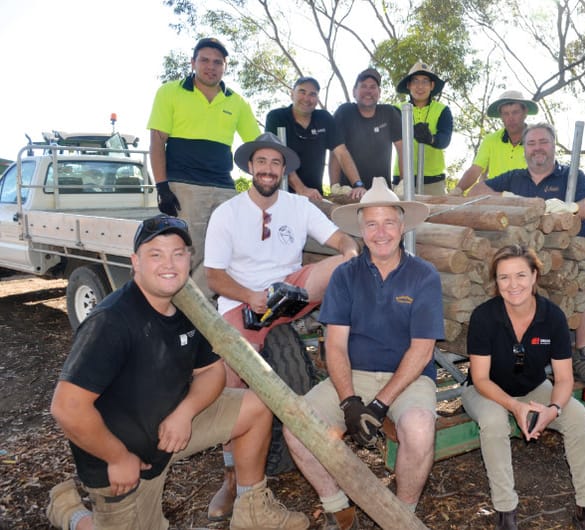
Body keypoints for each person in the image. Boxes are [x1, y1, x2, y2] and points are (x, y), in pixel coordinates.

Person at [46, 214, 309, 530]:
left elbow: (212, 371)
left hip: (170, 427)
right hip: (124, 461)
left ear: (189, 258)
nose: (168, 263)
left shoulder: (184, 305)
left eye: (178, 253)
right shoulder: (111, 322)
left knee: (256, 406)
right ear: (135, 262)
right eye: (155, 254)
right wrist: (117, 458)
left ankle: (252, 510)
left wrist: (186, 412)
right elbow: (67, 408)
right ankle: (70, 513)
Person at [202, 132, 360, 519]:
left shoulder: (298, 206)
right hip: (244, 301)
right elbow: (214, 277)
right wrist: (250, 296)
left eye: (275, 163)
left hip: (290, 296)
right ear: (250, 168)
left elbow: (338, 238)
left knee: (346, 265)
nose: (268, 170)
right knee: (231, 380)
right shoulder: (228, 212)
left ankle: (335, 336)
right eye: (262, 163)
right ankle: (231, 478)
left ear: (284, 169)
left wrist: (351, 249)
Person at [283, 179, 443, 529]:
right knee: (297, 429)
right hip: (353, 374)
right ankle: (339, 509)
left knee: (418, 430)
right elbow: (335, 345)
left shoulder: (424, 276)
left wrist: (381, 403)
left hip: (408, 378)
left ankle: (401, 515)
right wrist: (349, 401)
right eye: (371, 223)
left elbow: (422, 350)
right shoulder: (344, 275)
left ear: (402, 227)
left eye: (388, 222)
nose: (380, 231)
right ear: (361, 230)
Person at [462, 245, 585, 530]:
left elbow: (563, 379)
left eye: (520, 275)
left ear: (535, 276)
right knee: (494, 421)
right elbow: (480, 378)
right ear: (496, 282)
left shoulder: (552, 317)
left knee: (576, 415)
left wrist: (553, 409)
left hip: (534, 387)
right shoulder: (484, 316)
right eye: (504, 278)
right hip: (486, 390)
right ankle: (506, 512)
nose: (513, 285)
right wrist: (514, 406)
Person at [468, 123, 585, 386]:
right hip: (528, 256)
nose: (537, 148)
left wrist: (572, 207)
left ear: (554, 146)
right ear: (524, 149)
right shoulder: (513, 178)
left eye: (543, 142)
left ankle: (584, 355)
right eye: (531, 144)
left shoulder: (572, 176)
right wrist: (506, 197)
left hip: (575, 255)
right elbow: (475, 192)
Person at [147, 37, 261, 296]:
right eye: (205, 60)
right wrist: (162, 187)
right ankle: (181, 314)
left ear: (225, 67)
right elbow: (156, 140)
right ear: (193, 63)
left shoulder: (236, 102)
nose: (211, 67)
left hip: (223, 188)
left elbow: (257, 146)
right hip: (185, 187)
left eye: (217, 62)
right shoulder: (170, 92)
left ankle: (200, 309)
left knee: (226, 251)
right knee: (189, 251)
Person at [265, 76, 366, 201]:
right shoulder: (276, 117)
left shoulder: (323, 118)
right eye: (302, 92)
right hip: (280, 195)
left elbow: (341, 152)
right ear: (292, 94)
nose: (307, 98)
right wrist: (301, 189)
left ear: (317, 99)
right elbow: (277, 158)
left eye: (312, 94)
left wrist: (358, 184)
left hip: (315, 196)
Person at [451, 90, 538, 196]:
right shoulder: (490, 140)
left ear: (525, 113)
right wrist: (458, 190)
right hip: (496, 199)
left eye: (515, 112)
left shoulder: (537, 139)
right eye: (506, 114)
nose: (511, 118)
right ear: (501, 117)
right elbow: (475, 170)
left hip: (528, 198)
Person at [329, 68, 403, 190]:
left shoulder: (389, 112)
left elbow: (402, 149)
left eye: (373, 87)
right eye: (363, 86)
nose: (368, 91)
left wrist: (404, 183)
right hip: (349, 192)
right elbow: (337, 151)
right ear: (354, 91)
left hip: (382, 191)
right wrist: (335, 187)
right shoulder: (344, 112)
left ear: (379, 92)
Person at [391, 60, 453, 196]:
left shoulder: (443, 110)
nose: (420, 86)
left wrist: (431, 139)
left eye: (425, 81)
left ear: (432, 85)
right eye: (415, 81)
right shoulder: (396, 109)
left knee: (435, 217)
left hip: (433, 181)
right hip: (402, 180)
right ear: (408, 85)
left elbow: (445, 139)